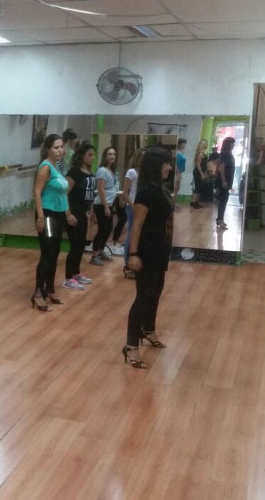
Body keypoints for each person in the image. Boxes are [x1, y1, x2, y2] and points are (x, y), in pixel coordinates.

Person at [122, 147, 174, 368]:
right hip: (146, 250)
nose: (169, 168)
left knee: (156, 290)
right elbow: (137, 225)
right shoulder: (145, 193)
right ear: (156, 166)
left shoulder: (161, 189)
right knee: (143, 296)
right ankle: (131, 346)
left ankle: (148, 330)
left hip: (159, 249)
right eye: (166, 164)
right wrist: (133, 254)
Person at [32, 134, 69, 311]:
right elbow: (37, 191)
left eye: (61, 146)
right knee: (47, 254)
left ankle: (50, 289)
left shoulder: (57, 166)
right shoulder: (46, 166)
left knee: (54, 254)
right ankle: (38, 293)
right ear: (48, 149)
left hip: (58, 215)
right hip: (47, 215)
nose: (60, 150)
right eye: (56, 147)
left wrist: (67, 213)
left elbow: (62, 193)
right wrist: (40, 217)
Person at [63, 142, 96, 290]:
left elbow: (90, 195)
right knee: (75, 246)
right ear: (82, 156)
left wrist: (90, 212)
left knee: (81, 245)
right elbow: (64, 194)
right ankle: (68, 278)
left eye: (93, 155)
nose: (93, 157)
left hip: (83, 212)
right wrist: (68, 214)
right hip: (73, 212)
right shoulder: (74, 172)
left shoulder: (89, 172)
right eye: (90, 155)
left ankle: (76, 274)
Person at [90, 146, 118, 266]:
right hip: (102, 205)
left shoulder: (112, 171)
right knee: (102, 230)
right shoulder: (102, 170)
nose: (112, 156)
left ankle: (101, 251)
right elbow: (100, 189)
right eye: (109, 154)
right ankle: (94, 256)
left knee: (108, 229)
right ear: (105, 156)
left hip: (109, 204)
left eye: (114, 154)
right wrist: (106, 207)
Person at [122, 148, 146, 278]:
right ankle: (127, 264)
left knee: (139, 235)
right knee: (131, 234)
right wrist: (133, 206)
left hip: (142, 207)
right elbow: (125, 193)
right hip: (132, 207)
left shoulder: (146, 172)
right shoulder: (131, 172)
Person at [217, 137, 236, 230]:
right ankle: (220, 220)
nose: (233, 145)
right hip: (224, 180)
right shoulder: (225, 154)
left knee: (224, 200)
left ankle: (220, 219)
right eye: (232, 143)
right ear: (228, 144)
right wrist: (224, 180)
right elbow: (222, 168)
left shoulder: (229, 154)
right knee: (223, 200)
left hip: (228, 179)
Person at [190, 140, 208, 209]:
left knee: (200, 187)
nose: (207, 145)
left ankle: (196, 202)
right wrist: (201, 173)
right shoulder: (200, 154)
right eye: (206, 144)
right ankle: (193, 202)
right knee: (197, 187)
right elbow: (198, 164)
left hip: (201, 172)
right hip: (198, 172)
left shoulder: (203, 153)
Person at [173, 138, 187, 210]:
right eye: (183, 144)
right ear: (179, 144)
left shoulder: (181, 152)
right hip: (176, 172)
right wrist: (178, 173)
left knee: (177, 189)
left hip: (180, 172)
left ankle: (173, 203)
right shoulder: (177, 153)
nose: (184, 145)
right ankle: (172, 204)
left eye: (185, 144)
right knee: (174, 189)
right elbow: (175, 164)